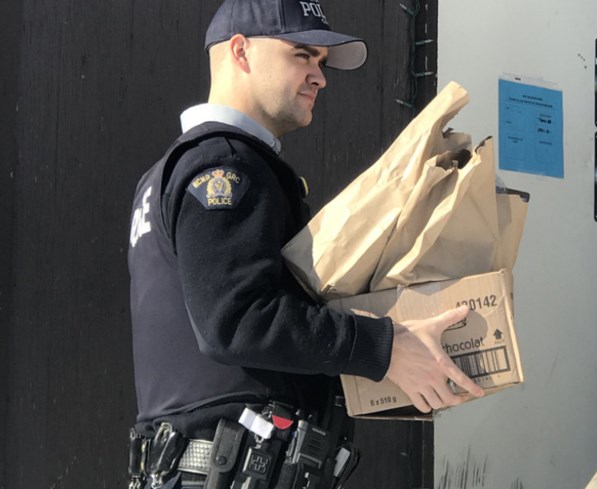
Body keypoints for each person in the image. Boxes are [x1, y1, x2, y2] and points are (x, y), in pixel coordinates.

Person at [126, 1, 482, 487]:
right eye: (301, 55)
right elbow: (235, 320)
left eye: (320, 61)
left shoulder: (174, 169)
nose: (320, 77)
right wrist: (386, 348)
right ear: (240, 51)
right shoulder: (225, 167)